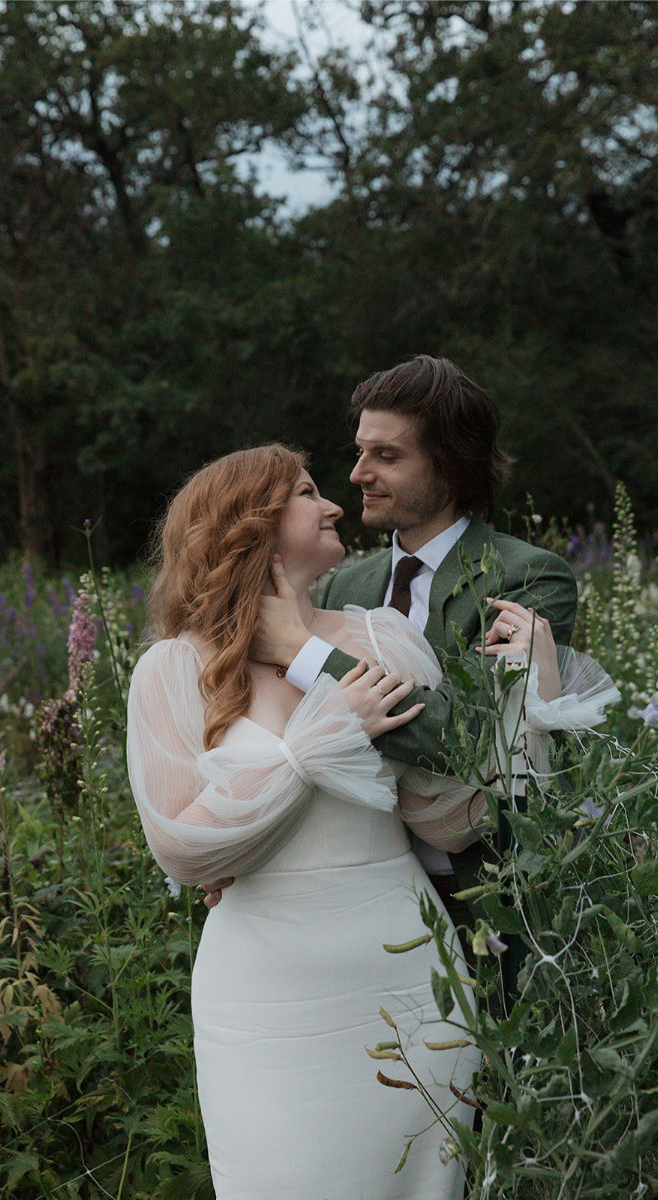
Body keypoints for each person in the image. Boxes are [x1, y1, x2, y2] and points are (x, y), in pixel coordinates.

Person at [126, 444, 565, 1200]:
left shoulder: (381, 638)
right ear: (249, 524)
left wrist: (532, 694)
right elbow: (181, 847)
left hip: (405, 975)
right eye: (306, 492)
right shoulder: (173, 669)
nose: (334, 505)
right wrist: (328, 738)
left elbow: (454, 818)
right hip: (264, 995)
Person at [240, 355, 580, 932]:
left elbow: (478, 738)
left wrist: (306, 654)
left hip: (491, 891)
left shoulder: (526, 578)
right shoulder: (347, 583)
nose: (357, 474)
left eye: (387, 456)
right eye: (360, 452)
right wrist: (235, 850)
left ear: (451, 467)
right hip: (360, 891)